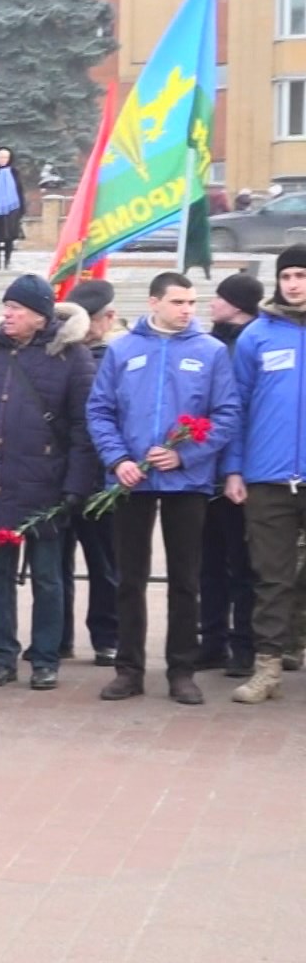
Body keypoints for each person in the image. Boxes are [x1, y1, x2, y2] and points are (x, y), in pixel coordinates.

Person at [86, 272, 240, 705]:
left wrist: (185, 455)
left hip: (186, 482)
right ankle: (129, 670)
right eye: (177, 302)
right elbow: (100, 411)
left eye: (192, 302)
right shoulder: (123, 349)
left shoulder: (210, 352)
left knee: (185, 580)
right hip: (131, 481)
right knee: (129, 578)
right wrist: (118, 460)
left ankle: (181, 671)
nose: (187, 310)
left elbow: (226, 414)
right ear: (154, 302)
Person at [0, 276, 99, 690]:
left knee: (48, 578)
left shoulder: (72, 358)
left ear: (40, 316)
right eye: (6, 306)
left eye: (16, 308)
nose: (7, 315)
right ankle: (2, 656)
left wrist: (76, 485)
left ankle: (45, 658)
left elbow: (81, 429)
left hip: (47, 488)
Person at [223, 245, 306, 703]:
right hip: (268, 477)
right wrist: (234, 468)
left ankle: (296, 640)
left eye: (301, 274)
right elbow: (237, 406)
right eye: (287, 275)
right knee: (271, 577)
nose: (293, 283)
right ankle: (268, 668)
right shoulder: (259, 335)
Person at [200, 273, 263, 677]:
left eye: (219, 298)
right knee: (209, 561)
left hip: (241, 470)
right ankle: (212, 640)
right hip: (204, 469)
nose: (210, 304)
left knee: (242, 563)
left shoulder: (252, 343)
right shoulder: (211, 342)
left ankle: (245, 645)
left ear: (237, 303)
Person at [56, 280, 121, 667]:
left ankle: (107, 637)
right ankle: (58, 636)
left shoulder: (118, 356)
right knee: (55, 565)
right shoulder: (58, 358)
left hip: (102, 478)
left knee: (104, 565)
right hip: (60, 476)